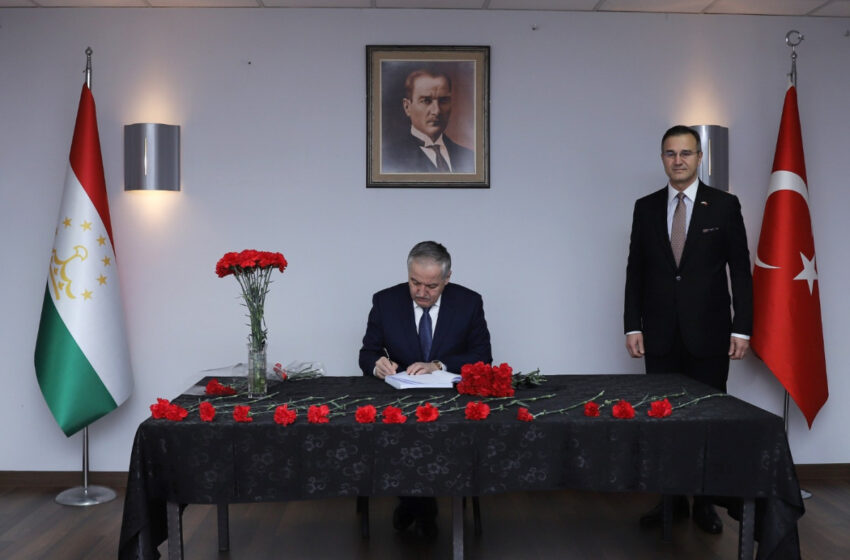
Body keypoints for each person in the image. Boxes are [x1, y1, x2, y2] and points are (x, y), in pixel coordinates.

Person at [623, 125, 753, 535]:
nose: (677, 160)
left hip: (710, 334)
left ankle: (704, 502)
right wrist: (632, 326)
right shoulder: (645, 207)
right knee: (665, 421)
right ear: (662, 158)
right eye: (670, 153)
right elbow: (635, 272)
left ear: (699, 158)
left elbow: (741, 273)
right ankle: (671, 500)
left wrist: (742, 329)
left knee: (705, 420)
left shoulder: (725, 206)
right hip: (659, 334)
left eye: (686, 153)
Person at [359, 240, 492, 536]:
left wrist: (439, 365)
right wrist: (377, 363)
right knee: (401, 435)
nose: (421, 292)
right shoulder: (385, 301)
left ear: (447, 278)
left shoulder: (468, 302)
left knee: (436, 437)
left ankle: (416, 506)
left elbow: (483, 357)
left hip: (450, 402)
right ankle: (420, 507)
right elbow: (367, 353)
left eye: (431, 286)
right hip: (400, 399)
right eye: (414, 283)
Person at [382, 70, 475, 174]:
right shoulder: (388, 158)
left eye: (443, 100)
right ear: (407, 107)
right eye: (426, 101)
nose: (437, 111)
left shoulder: (470, 157)